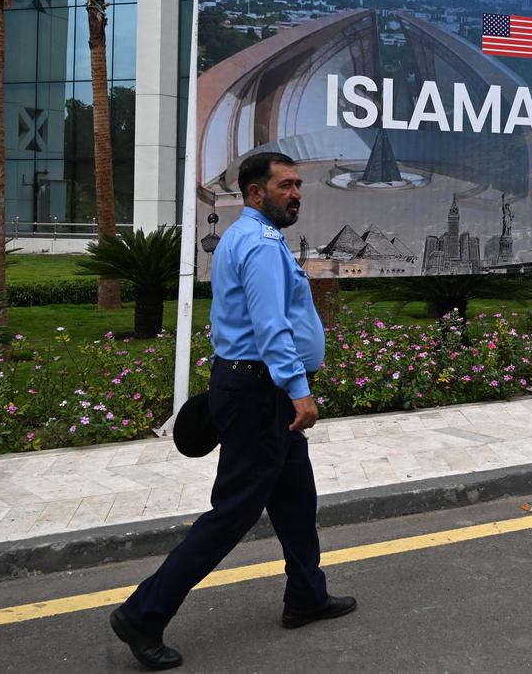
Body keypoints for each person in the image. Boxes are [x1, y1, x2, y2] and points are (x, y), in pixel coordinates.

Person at [111, 151, 355, 670]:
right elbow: (271, 329)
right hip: (262, 392)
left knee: (295, 499)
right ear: (254, 193)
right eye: (286, 185)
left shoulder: (248, 238)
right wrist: (298, 389)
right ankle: (142, 614)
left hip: (254, 388)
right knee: (234, 512)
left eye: (298, 185)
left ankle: (307, 595)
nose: (297, 194)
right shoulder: (263, 246)